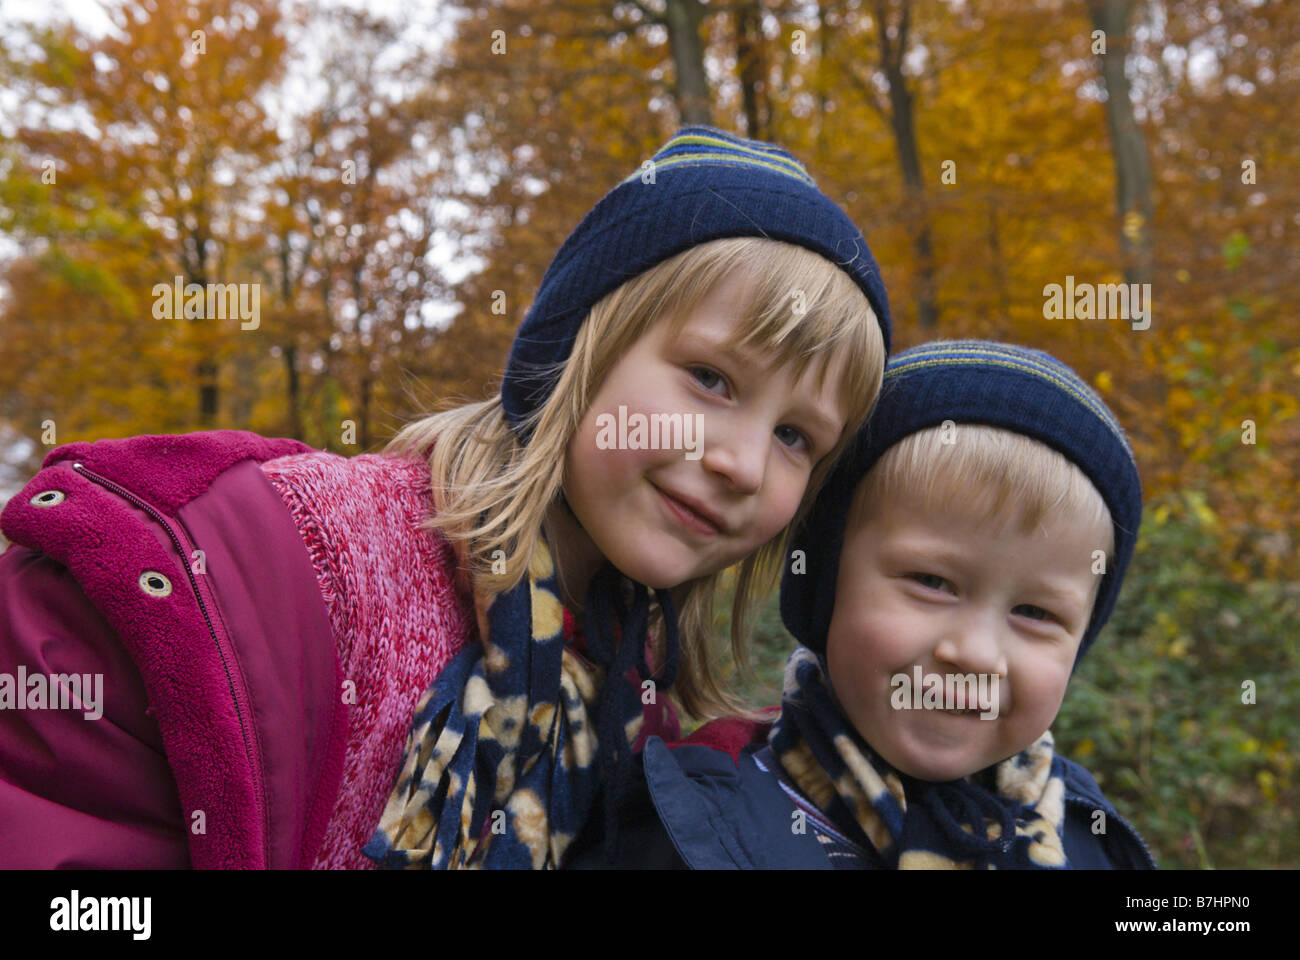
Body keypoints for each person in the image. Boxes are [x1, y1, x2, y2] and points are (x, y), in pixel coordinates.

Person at [0, 125, 890, 869]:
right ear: (576, 351)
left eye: (795, 437)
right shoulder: (268, 560)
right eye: (710, 378)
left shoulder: (634, 703)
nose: (741, 462)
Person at [579, 340, 1157, 869]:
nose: (977, 654)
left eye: (1036, 614)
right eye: (931, 581)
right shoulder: (690, 827)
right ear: (826, 585)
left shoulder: (1092, 838)